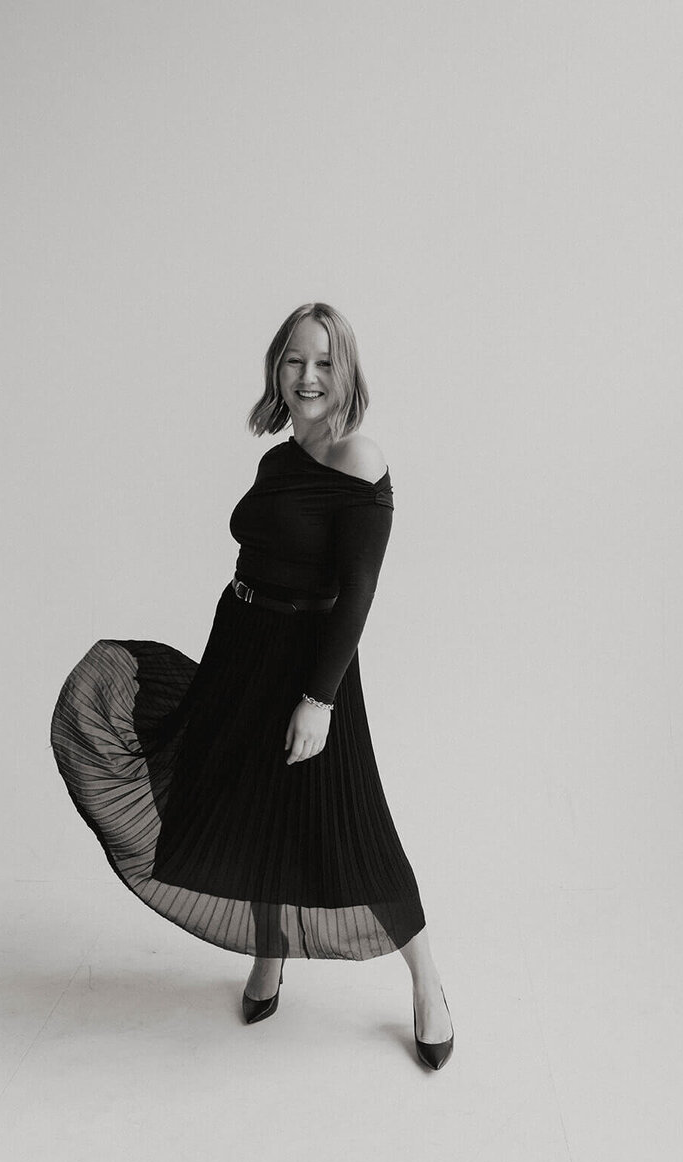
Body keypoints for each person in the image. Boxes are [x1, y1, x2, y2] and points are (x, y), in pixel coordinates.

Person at [50, 301, 453, 1069]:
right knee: (244, 806)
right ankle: (269, 955)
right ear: (277, 367)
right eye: (294, 361)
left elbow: (359, 591)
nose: (307, 377)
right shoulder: (277, 457)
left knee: (352, 830)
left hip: (309, 668)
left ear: (347, 374)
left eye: (323, 363)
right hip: (242, 649)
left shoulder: (359, 460)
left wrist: (320, 699)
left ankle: (429, 985)